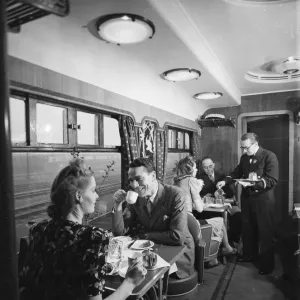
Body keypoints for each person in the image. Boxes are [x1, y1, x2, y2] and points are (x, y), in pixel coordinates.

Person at [19, 158, 146, 300]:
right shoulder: (93, 237)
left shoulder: (37, 229)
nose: (97, 196)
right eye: (93, 190)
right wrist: (130, 282)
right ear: (78, 196)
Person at [112, 157, 195, 279]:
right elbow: (120, 233)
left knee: (140, 278)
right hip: (151, 251)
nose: (134, 185)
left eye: (138, 179)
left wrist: (145, 236)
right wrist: (117, 206)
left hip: (178, 254)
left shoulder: (175, 194)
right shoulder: (136, 198)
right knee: (128, 274)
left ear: (153, 176)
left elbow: (178, 237)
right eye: (131, 180)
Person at [216, 132, 279, 275]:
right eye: (242, 148)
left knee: (265, 232)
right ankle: (249, 255)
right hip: (247, 200)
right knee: (248, 229)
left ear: (255, 144)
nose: (244, 151)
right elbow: (237, 172)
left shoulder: (269, 156)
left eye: (246, 147)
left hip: (263, 201)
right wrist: (225, 181)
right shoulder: (244, 158)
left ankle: (267, 265)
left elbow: (272, 179)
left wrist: (253, 184)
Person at [173, 155, 237, 268]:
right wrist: (199, 197)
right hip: (190, 221)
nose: (197, 170)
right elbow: (200, 208)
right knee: (221, 222)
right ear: (190, 169)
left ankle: (215, 257)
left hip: (179, 220)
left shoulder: (177, 181)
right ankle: (225, 249)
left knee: (219, 222)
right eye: (195, 167)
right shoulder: (192, 181)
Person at [198, 157, 242, 246]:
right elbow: (198, 194)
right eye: (205, 167)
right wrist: (205, 196)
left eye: (210, 166)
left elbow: (231, 193)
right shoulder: (199, 178)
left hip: (225, 204)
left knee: (239, 216)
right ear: (202, 168)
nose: (208, 169)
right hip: (209, 208)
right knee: (214, 217)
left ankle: (231, 241)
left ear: (214, 165)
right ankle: (223, 245)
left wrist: (222, 192)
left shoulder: (222, 176)